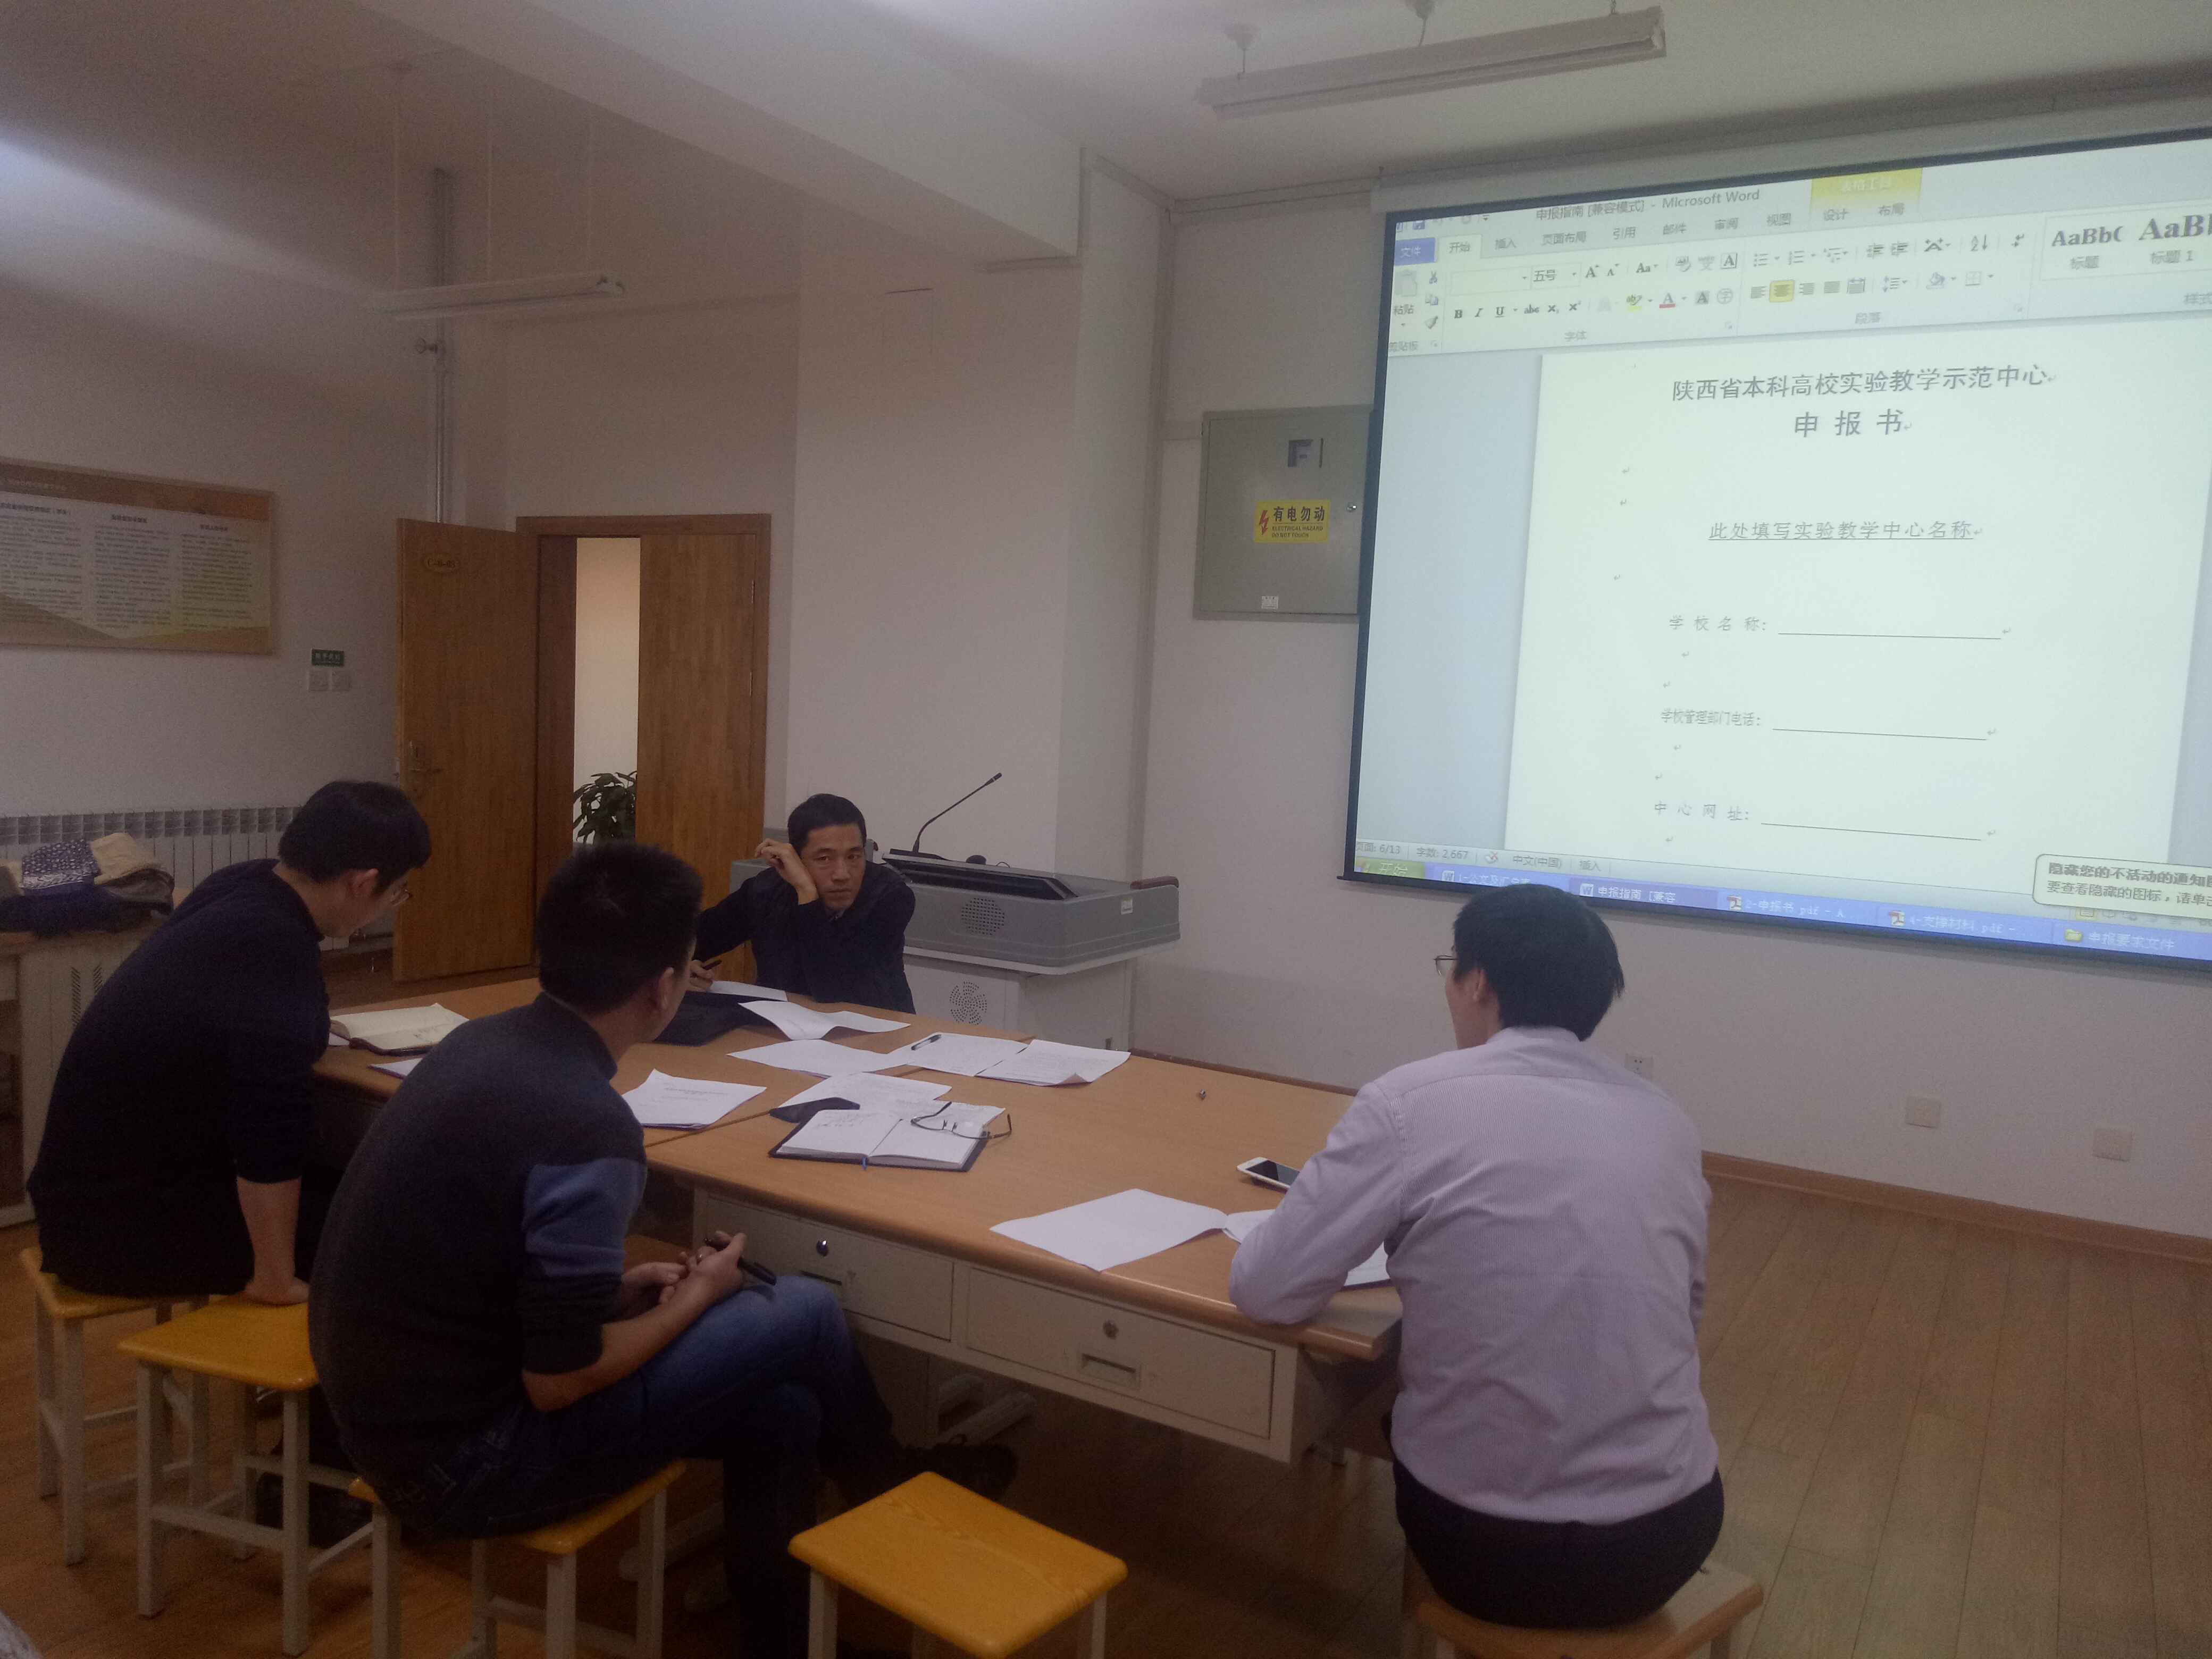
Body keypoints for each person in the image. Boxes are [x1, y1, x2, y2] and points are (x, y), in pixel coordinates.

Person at [309, 842, 1008, 1659]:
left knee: (786, 1407)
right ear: (665, 987)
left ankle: (780, 1634)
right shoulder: (586, 1123)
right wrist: (698, 1297)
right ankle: (888, 1485)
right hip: (461, 1467)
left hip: (382, 1420)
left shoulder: (483, 1044)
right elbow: (559, 1381)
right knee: (807, 1310)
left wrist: (617, 1292)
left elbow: (484, 1266)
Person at [1229, 883, 1719, 1630]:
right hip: (1671, 1535)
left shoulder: (1408, 1104)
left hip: (1487, 1551)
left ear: (1478, 982)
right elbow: (1685, 1312)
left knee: (1392, 1391)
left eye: (1450, 968)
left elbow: (1265, 1290)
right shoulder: (1667, 1124)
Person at [28, 779, 430, 1302]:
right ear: (362, 882)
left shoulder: (247, 884)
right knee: (400, 1225)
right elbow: (270, 1128)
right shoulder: (271, 942)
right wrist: (275, 1278)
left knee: (356, 1185)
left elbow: (275, 1031)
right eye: (398, 893)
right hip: (123, 1233)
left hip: (84, 1199)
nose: (393, 905)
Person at [692, 792, 915, 1011]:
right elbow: (689, 941)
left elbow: (833, 991)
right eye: (824, 859)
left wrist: (807, 895)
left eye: (853, 856)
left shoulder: (889, 896)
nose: (842, 874)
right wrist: (683, 969)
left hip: (880, 1026)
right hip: (778, 1026)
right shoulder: (765, 891)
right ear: (797, 860)